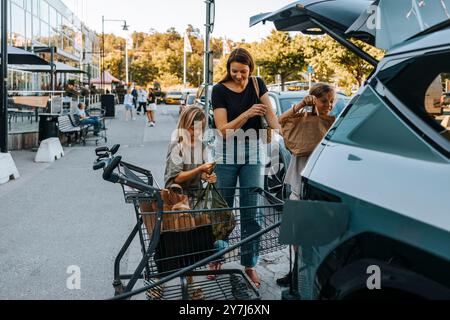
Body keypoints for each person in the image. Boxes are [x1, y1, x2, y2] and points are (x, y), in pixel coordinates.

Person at [211, 48, 281, 289]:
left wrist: (287, 126)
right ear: (228, 69)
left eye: (243, 71)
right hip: (226, 153)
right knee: (222, 210)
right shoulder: (218, 90)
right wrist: (248, 113)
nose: (239, 76)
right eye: (234, 71)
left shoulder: (257, 83)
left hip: (253, 151)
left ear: (250, 69)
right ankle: (215, 260)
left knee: (253, 210)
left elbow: (272, 118)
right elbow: (223, 129)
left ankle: (249, 264)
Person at [276, 83, 336, 287]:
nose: (328, 105)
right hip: (298, 181)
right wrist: (302, 104)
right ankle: (297, 270)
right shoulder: (302, 119)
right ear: (314, 100)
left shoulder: (333, 123)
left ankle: (309, 273)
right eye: (324, 101)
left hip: (319, 184)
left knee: (313, 232)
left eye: (331, 101)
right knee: (295, 232)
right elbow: (280, 121)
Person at [162, 106, 216, 300]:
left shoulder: (200, 145)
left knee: (190, 244)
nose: (197, 132)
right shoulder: (177, 145)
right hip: (179, 202)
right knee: (178, 244)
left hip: (195, 199)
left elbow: (199, 173)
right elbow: (174, 179)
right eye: (193, 128)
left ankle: (190, 283)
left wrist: (207, 175)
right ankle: (171, 283)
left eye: (201, 128)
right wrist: (199, 169)